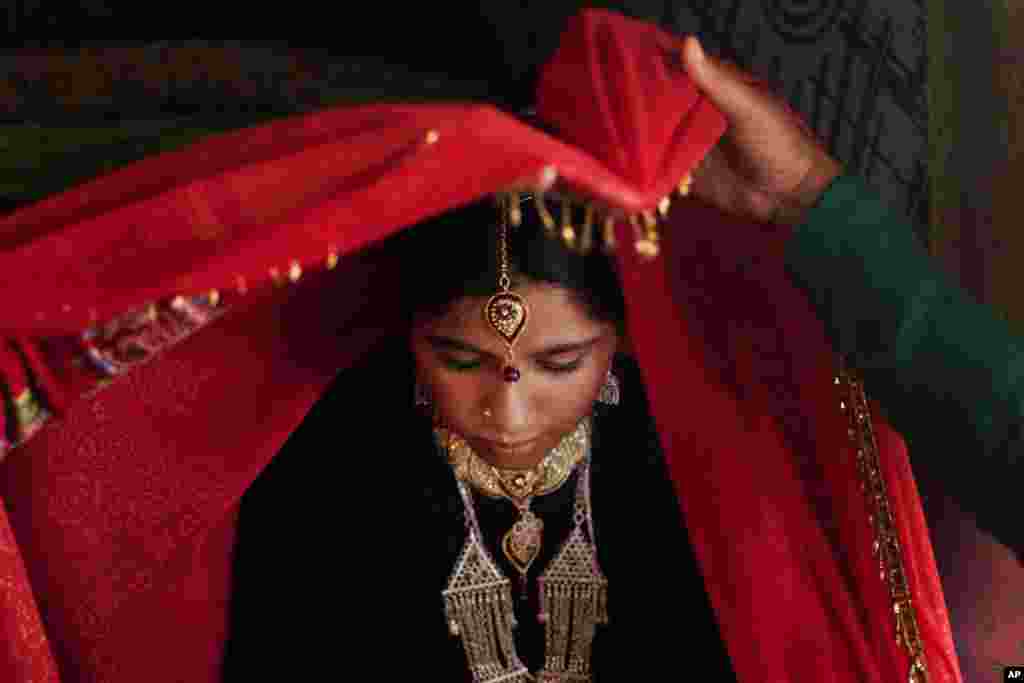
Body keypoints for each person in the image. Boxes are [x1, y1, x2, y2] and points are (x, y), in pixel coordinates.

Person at [0, 9, 1017, 682]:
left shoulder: (685, 481)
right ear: (407, 339)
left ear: (616, 350)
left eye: (559, 363)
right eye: (461, 357)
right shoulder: (332, 457)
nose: (507, 406)